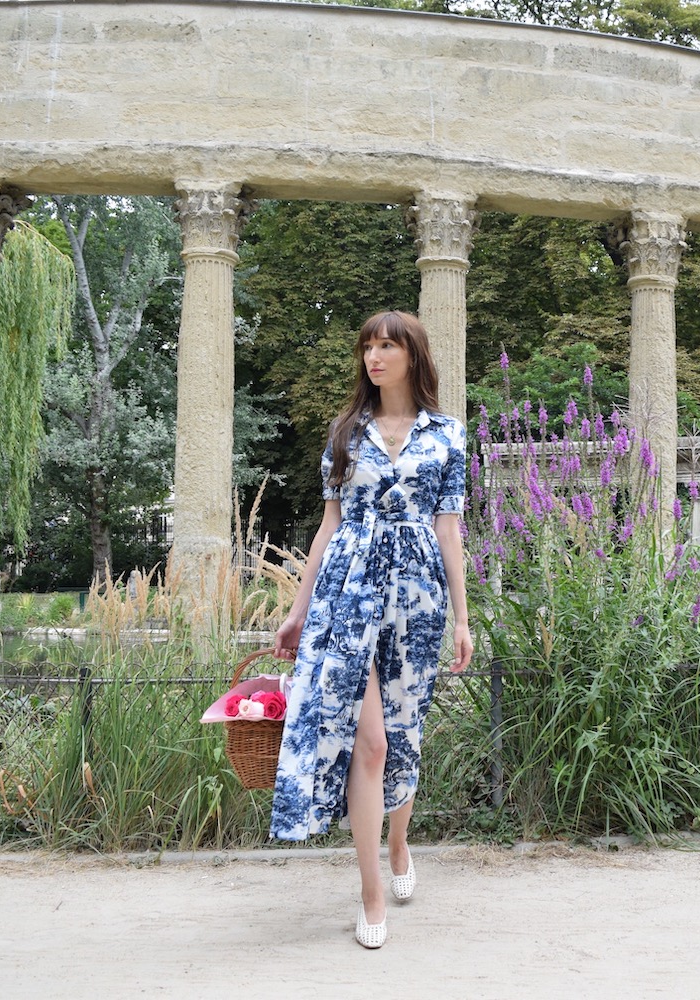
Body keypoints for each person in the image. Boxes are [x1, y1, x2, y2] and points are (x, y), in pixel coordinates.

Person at [268, 310, 472, 950]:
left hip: (417, 599)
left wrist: (462, 618)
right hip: (348, 592)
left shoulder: (446, 436)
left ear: (413, 354)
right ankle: (369, 889)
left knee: (405, 737)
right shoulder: (344, 435)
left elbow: (449, 530)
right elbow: (328, 527)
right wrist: (299, 609)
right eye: (367, 347)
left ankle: (400, 840)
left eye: (387, 346)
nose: (374, 357)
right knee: (373, 744)